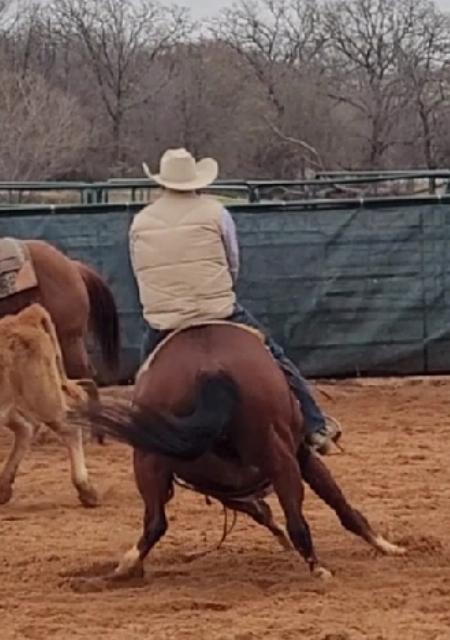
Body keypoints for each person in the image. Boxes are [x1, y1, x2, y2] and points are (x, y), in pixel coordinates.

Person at [127, 147, 343, 455]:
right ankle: (315, 425)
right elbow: (233, 262)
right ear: (196, 182)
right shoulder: (216, 212)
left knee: (145, 376)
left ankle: (143, 437)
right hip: (219, 311)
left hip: (165, 320)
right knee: (275, 356)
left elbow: (140, 270)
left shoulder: (140, 222)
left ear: (161, 183)